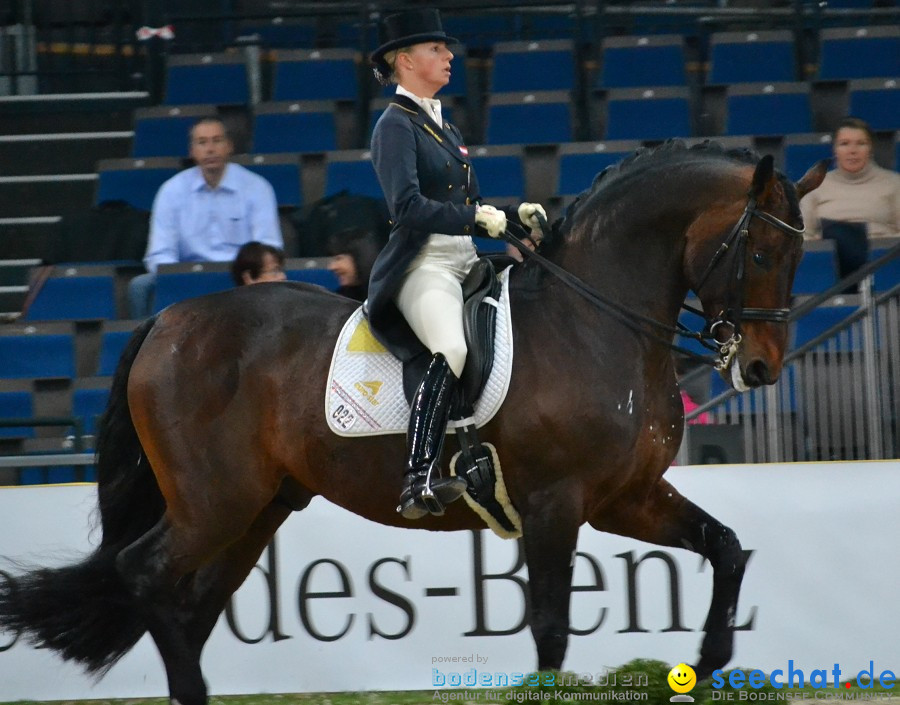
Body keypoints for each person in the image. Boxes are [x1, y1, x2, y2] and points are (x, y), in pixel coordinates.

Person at [366, 8, 547, 520]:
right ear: (405, 60)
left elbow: (471, 203)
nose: (448, 56)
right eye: (435, 49)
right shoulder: (394, 127)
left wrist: (514, 215)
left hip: (465, 259)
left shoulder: (445, 123)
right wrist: (476, 218)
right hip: (422, 264)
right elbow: (407, 208)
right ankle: (417, 475)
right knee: (450, 345)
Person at [128, 116, 283, 317]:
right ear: (192, 151)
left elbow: (268, 246)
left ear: (229, 146)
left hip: (238, 276)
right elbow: (159, 254)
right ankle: (145, 347)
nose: (210, 149)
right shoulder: (171, 191)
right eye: (202, 142)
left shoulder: (256, 187)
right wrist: (181, 277)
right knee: (139, 286)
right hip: (186, 276)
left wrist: (242, 274)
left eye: (217, 141)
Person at [800, 117, 900, 241]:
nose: (852, 151)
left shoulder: (895, 184)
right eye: (844, 144)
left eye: (861, 143)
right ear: (834, 150)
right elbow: (802, 237)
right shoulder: (814, 185)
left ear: (871, 149)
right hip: (831, 258)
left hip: (883, 256)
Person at [326, 226, 387, 301]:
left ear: (360, 257)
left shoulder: (387, 298)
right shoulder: (341, 297)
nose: (331, 267)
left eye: (339, 259)